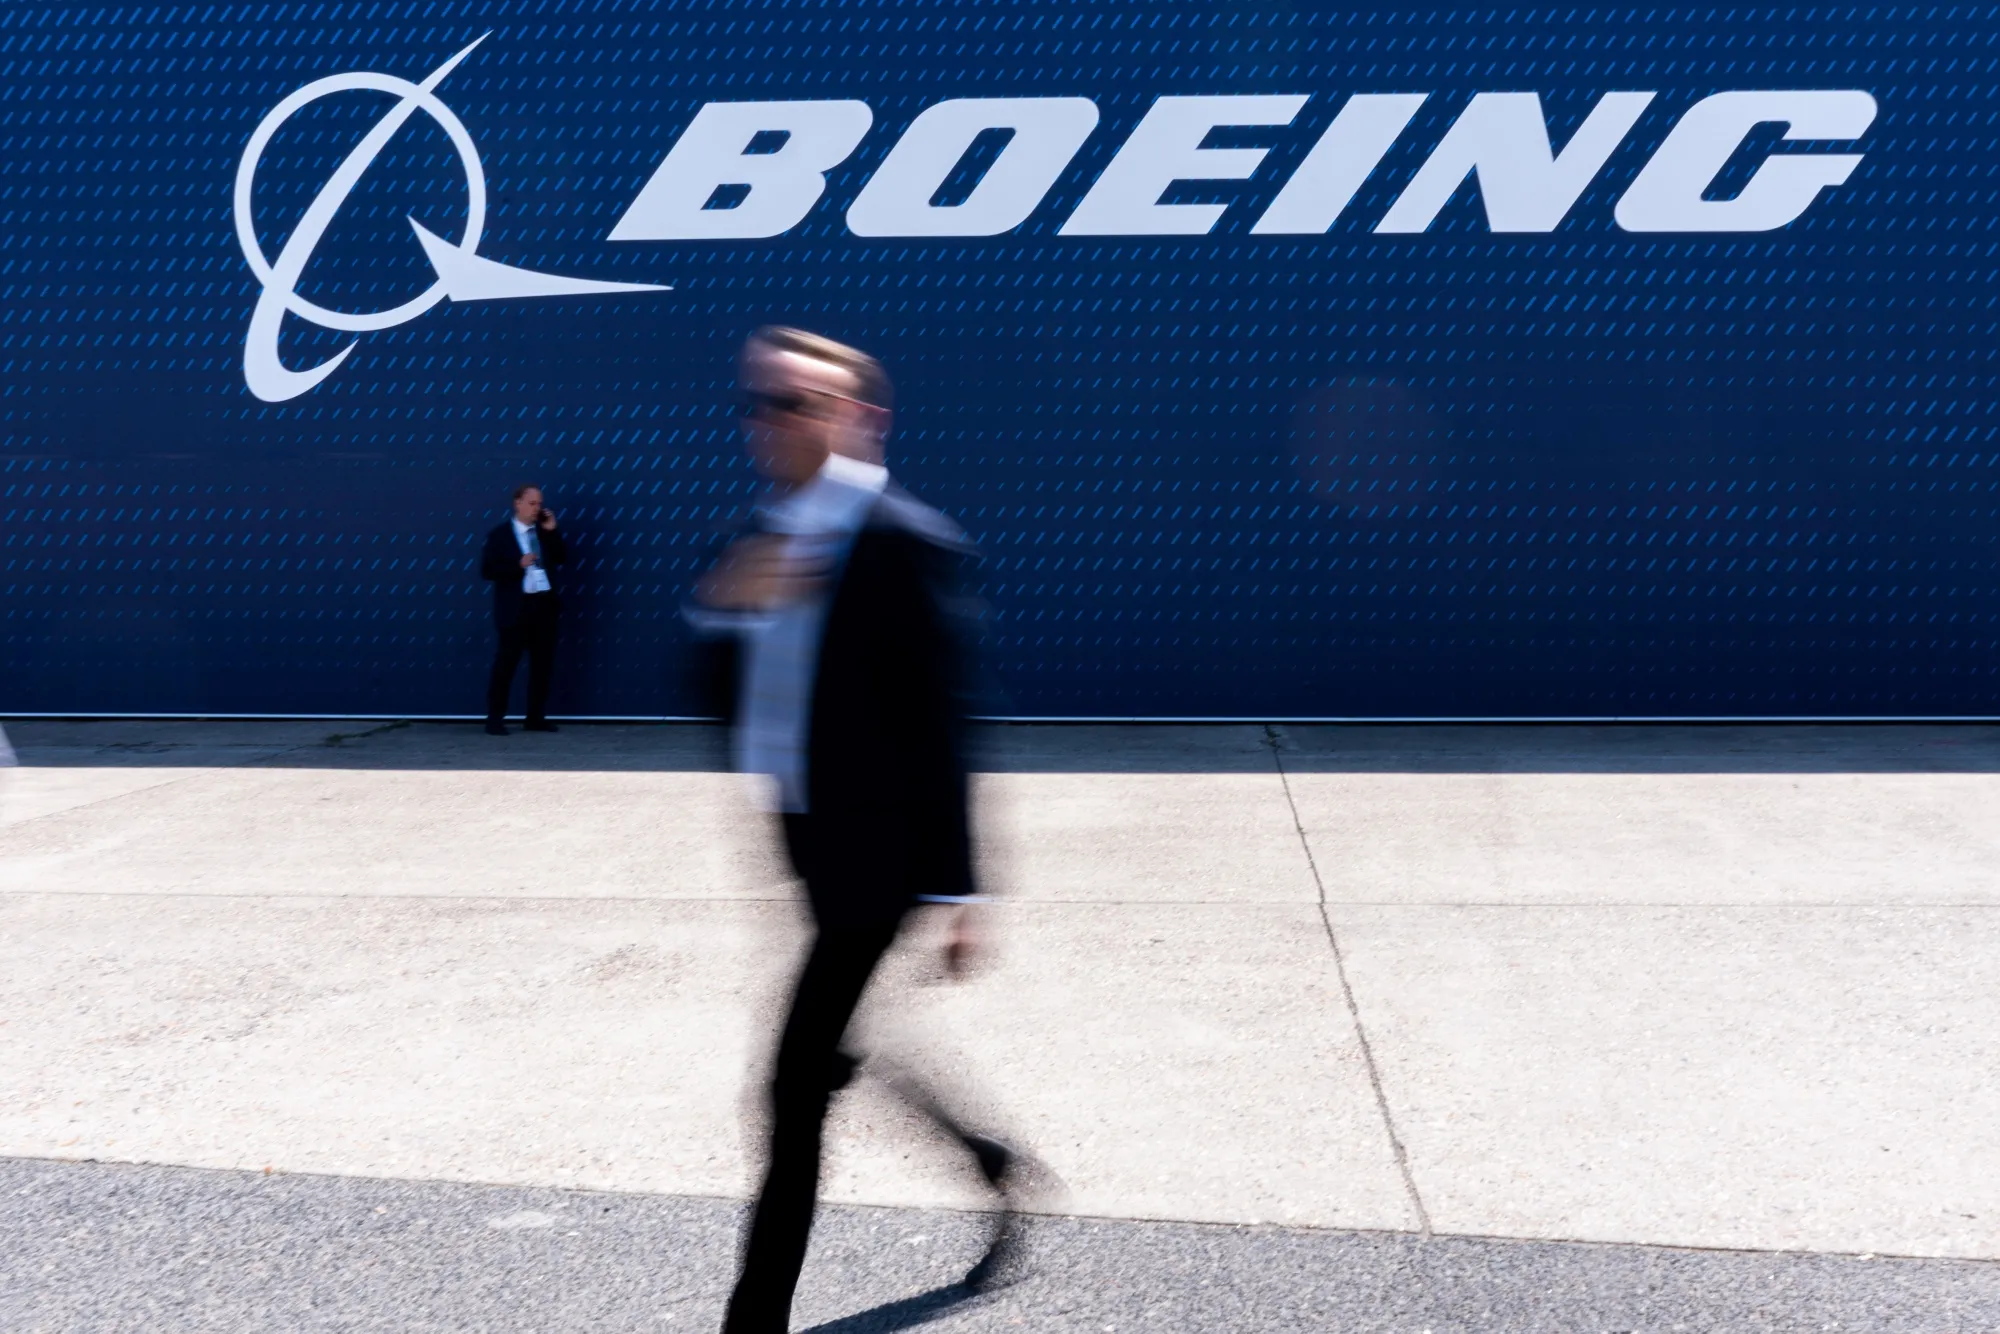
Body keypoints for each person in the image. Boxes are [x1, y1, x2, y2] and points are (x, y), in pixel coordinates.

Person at [695, 327, 1033, 1333]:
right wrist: (722, 610)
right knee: (844, 1046)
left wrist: (960, 889)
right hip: (803, 842)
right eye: (762, 402)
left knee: (790, 1087)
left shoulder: (901, 540)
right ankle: (986, 1157)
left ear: (858, 419)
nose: (772, 421)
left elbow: (943, 721)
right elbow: (713, 694)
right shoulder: (762, 535)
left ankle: (752, 1318)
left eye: (797, 402)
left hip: (878, 855)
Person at [481, 484, 567, 735]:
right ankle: (495, 718)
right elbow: (488, 570)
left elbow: (561, 558)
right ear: (517, 503)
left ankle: (535, 717)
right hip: (515, 609)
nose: (536, 509)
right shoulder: (500, 535)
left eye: (539, 504)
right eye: (531, 503)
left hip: (543, 606)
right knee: (506, 665)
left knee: (542, 666)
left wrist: (553, 532)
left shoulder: (543, 532)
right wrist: (517, 564)